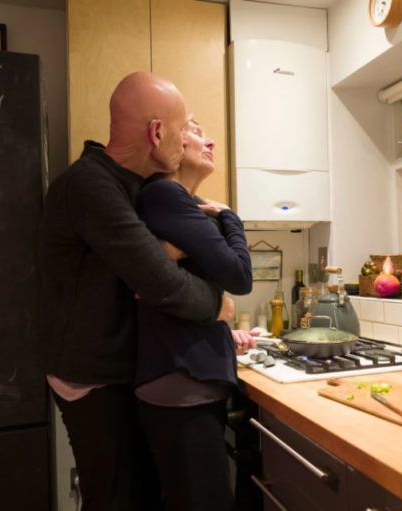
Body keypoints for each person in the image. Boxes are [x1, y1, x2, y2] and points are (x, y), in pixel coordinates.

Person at [38, 72, 233, 511]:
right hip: (91, 374)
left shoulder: (133, 186)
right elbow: (159, 283)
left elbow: (151, 263)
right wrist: (218, 305)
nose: (186, 141)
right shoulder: (92, 185)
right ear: (157, 132)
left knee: (140, 493)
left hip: (119, 369)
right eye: (183, 130)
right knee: (117, 498)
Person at [134, 119, 253, 511]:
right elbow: (239, 276)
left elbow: (180, 290)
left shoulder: (176, 205)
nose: (211, 141)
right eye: (198, 131)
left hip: (184, 378)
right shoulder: (165, 194)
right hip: (182, 382)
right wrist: (231, 217)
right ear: (170, 139)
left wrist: (223, 330)